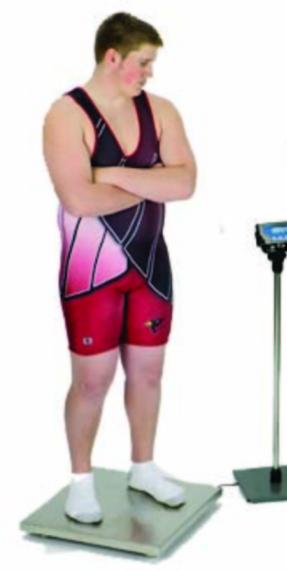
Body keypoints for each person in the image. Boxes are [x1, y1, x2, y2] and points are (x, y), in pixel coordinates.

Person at [43, 12, 196, 524]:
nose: (149, 73)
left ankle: (143, 467)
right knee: (92, 381)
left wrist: (109, 172)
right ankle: (80, 480)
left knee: (149, 374)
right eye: (143, 63)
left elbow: (185, 185)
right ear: (113, 57)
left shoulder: (163, 111)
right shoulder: (66, 115)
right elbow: (78, 199)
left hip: (151, 266)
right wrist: (148, 177)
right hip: (91, 274)